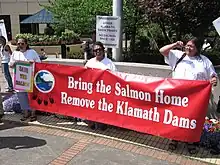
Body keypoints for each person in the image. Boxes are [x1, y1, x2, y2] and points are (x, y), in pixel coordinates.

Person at [159, 37, 217, 154]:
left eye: (192, 46)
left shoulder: (204, 61)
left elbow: (212, 75)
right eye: (187, 45)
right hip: (178, 95)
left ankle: (189, 141)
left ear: (197, 49)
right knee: (176, 117)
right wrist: (175, 44)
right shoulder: (179, 56)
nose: (188, 48)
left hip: (196, 97)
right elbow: (162, 51)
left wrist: (214, 80)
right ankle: (174, 139)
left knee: (191, 119)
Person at [84, 41, 117, 130]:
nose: (97, 52)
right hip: (92, 91)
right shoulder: (89, 62)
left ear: (103, 50)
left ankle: (102, 123)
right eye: (95, 50)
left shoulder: (109, 63)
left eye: (99, 49)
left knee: (102, 109)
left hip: (104, 92)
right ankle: (91, 123)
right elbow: (83, 76)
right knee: (91, 109)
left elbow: (115, 77)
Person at [9, 38, 41, 122]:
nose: (20, 45)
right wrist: (14, 63)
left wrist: (32, 62)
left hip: (29, 78)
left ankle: (33, 113)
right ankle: (26, 113)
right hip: (19, 79)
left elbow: (39, 63)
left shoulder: (32, 52)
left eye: (22, 43)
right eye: (18, 44)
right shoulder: (15, 53)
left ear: (26, 44)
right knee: (21, 96)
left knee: (31, 96)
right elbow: (10, 64)